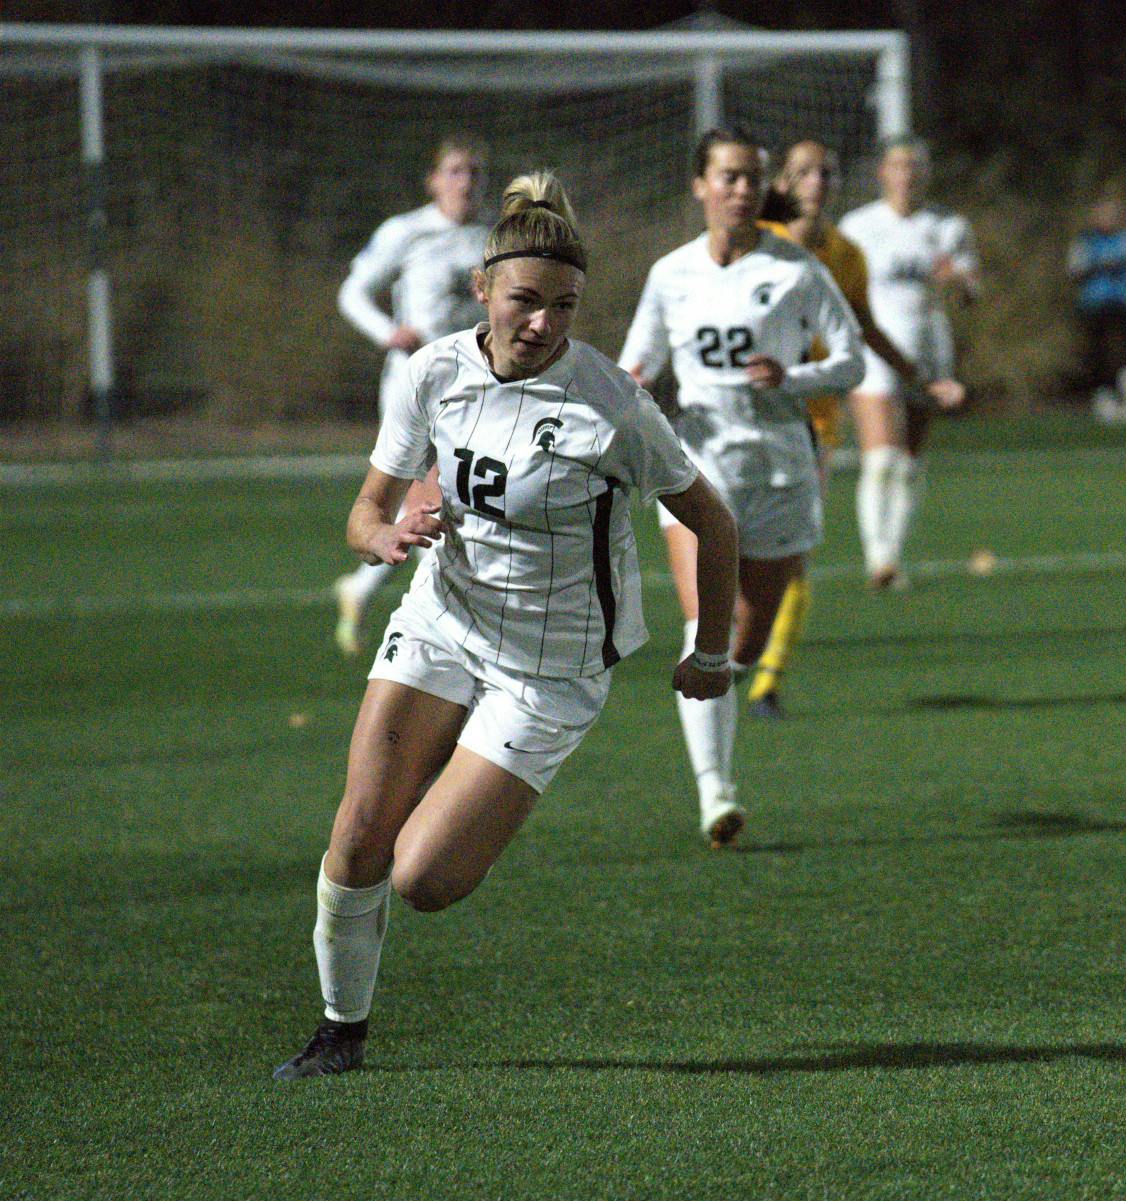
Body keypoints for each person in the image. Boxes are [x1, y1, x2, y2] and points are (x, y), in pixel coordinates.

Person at [273, 171, 741, 1081]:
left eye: (564, 306)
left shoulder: (609, 403)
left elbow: (711, 521)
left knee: (423, 880)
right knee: (359, 832)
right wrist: (388, 534)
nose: (544, 323)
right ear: (482, 291)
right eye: (526, 301)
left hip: (550, 666)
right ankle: (340, 1031)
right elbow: (365, 512)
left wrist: (710, 652)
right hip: (442, 621)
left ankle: (476, 769)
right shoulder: (434, 370)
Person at [619, 128, 865, 846]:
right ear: (700, 186)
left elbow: (850, 362)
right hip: (699, 466)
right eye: (727, 177)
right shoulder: (671, 274)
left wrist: (795, 378)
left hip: (783, 466)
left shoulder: (796, 269)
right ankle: (715, 792)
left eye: (752, 179)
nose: (741, 190)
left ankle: (723, 730)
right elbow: (638, 364)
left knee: (742, 646)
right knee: (706, 629)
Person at [743, 139, 966, 719]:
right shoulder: (755, 237)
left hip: (809, 418)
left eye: (826, 170)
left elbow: (863, 327)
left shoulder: (844, 253)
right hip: (733, 417)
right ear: (785, 184)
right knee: (731, 548)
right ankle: (734, 648)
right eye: (803, 172)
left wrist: (922, 378)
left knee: (794, 550)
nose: (817, 180)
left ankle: (768, 680)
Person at [331, 137, 492, 656]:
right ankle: (447, 625)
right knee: (430, 505)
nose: (464, 181)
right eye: (453, 170)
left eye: (471, 170)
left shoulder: (490, 237)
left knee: (450, 502)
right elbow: (352, 292)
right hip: (414, 385)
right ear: (433, 180)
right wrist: (386, 331)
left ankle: (360, 589)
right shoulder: (407, 231)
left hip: (472, 386)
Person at [840, 137, 979, 590]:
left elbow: (972, 293)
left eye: (915, 166)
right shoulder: (858, 226)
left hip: (928, 347)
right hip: (876, 348)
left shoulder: (948, 226)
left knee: (909, 461)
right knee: (879, 458)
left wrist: (958, 279)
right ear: (882, 172)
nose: (907, 175)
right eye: (898, 165)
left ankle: (893, 557)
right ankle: (877, 556)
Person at [1068, 187, 1126, 424]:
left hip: (1124, 302)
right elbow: (1076, 269)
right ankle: (1104, 396)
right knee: (1098, 351)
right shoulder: (1084, 242)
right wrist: (1099, 265)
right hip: (1095, 304)